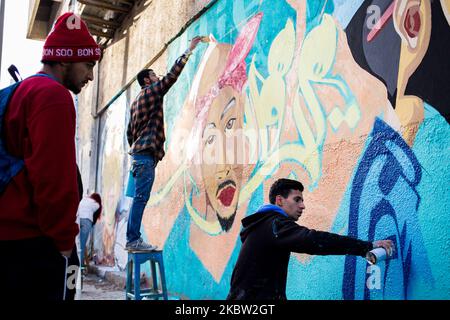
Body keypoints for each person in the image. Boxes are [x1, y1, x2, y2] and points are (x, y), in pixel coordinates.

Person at [0, 12, 100, 300]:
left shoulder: (25, 90)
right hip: (36, 246)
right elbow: (54, 177)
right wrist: (64, 242)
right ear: (65, 59)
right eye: (88, 65)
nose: (91, 75)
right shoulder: (53, 96)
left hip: (14, 243)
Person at [226, 178, 394, 300]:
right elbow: (314, 240)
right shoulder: (274, 224)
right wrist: (366, 246)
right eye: (297, 199)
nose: (302, 206)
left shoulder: (262, 225)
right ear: (279, 200)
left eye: (302, 200)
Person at [125, 36, 203, 251]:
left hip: (139, 156)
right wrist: (189, 50)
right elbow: (171, 77)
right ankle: (133, 240)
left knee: (139, 198)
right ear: (147, 81)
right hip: (144, 158)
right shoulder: (151, 93)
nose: (157, 77)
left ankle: (133, 238)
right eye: (153, 75)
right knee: (141, 198)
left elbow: (129, 133)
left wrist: (139, 147)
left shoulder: (135, 103)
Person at [77, 193, 102, 269]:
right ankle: (80, 267)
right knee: (82, 245)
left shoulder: (84, 199)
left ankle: (77, 266)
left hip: (78, 219)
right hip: (87, 220)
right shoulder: (97, 205)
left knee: (77, 244)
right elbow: (94, 219)